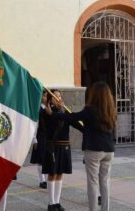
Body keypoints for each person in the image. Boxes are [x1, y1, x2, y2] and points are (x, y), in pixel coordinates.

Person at [46, 82, 116, 211]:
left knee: (93, 183)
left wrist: (54, 114)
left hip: (94, 149)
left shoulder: (90, 109)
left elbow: (73, 117)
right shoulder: (111, 109)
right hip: (109, 150)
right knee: (105, 182)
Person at [42, 89, 82, 211]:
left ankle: (57, 202)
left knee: (60, 173)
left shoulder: (64, 111)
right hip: (53, 146)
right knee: (52, 173)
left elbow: (75, 123)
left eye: (60, 96)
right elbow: (51, 123)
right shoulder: (47, 112)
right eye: (55, 96)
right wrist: (59, 111)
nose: (58, 98)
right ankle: (51, 203)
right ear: (51, 100)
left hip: (64, 146)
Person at [30, 90, 48, 189]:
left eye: (46, 96)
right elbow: (34, 125)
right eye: (44, 96)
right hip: (40, 136)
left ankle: (46, 178)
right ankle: (42, 180)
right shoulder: (38, 110)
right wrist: (34, 139)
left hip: (47, 136)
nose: (46, 98)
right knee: (40, 159)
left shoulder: (48, 109)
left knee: (46, 158)